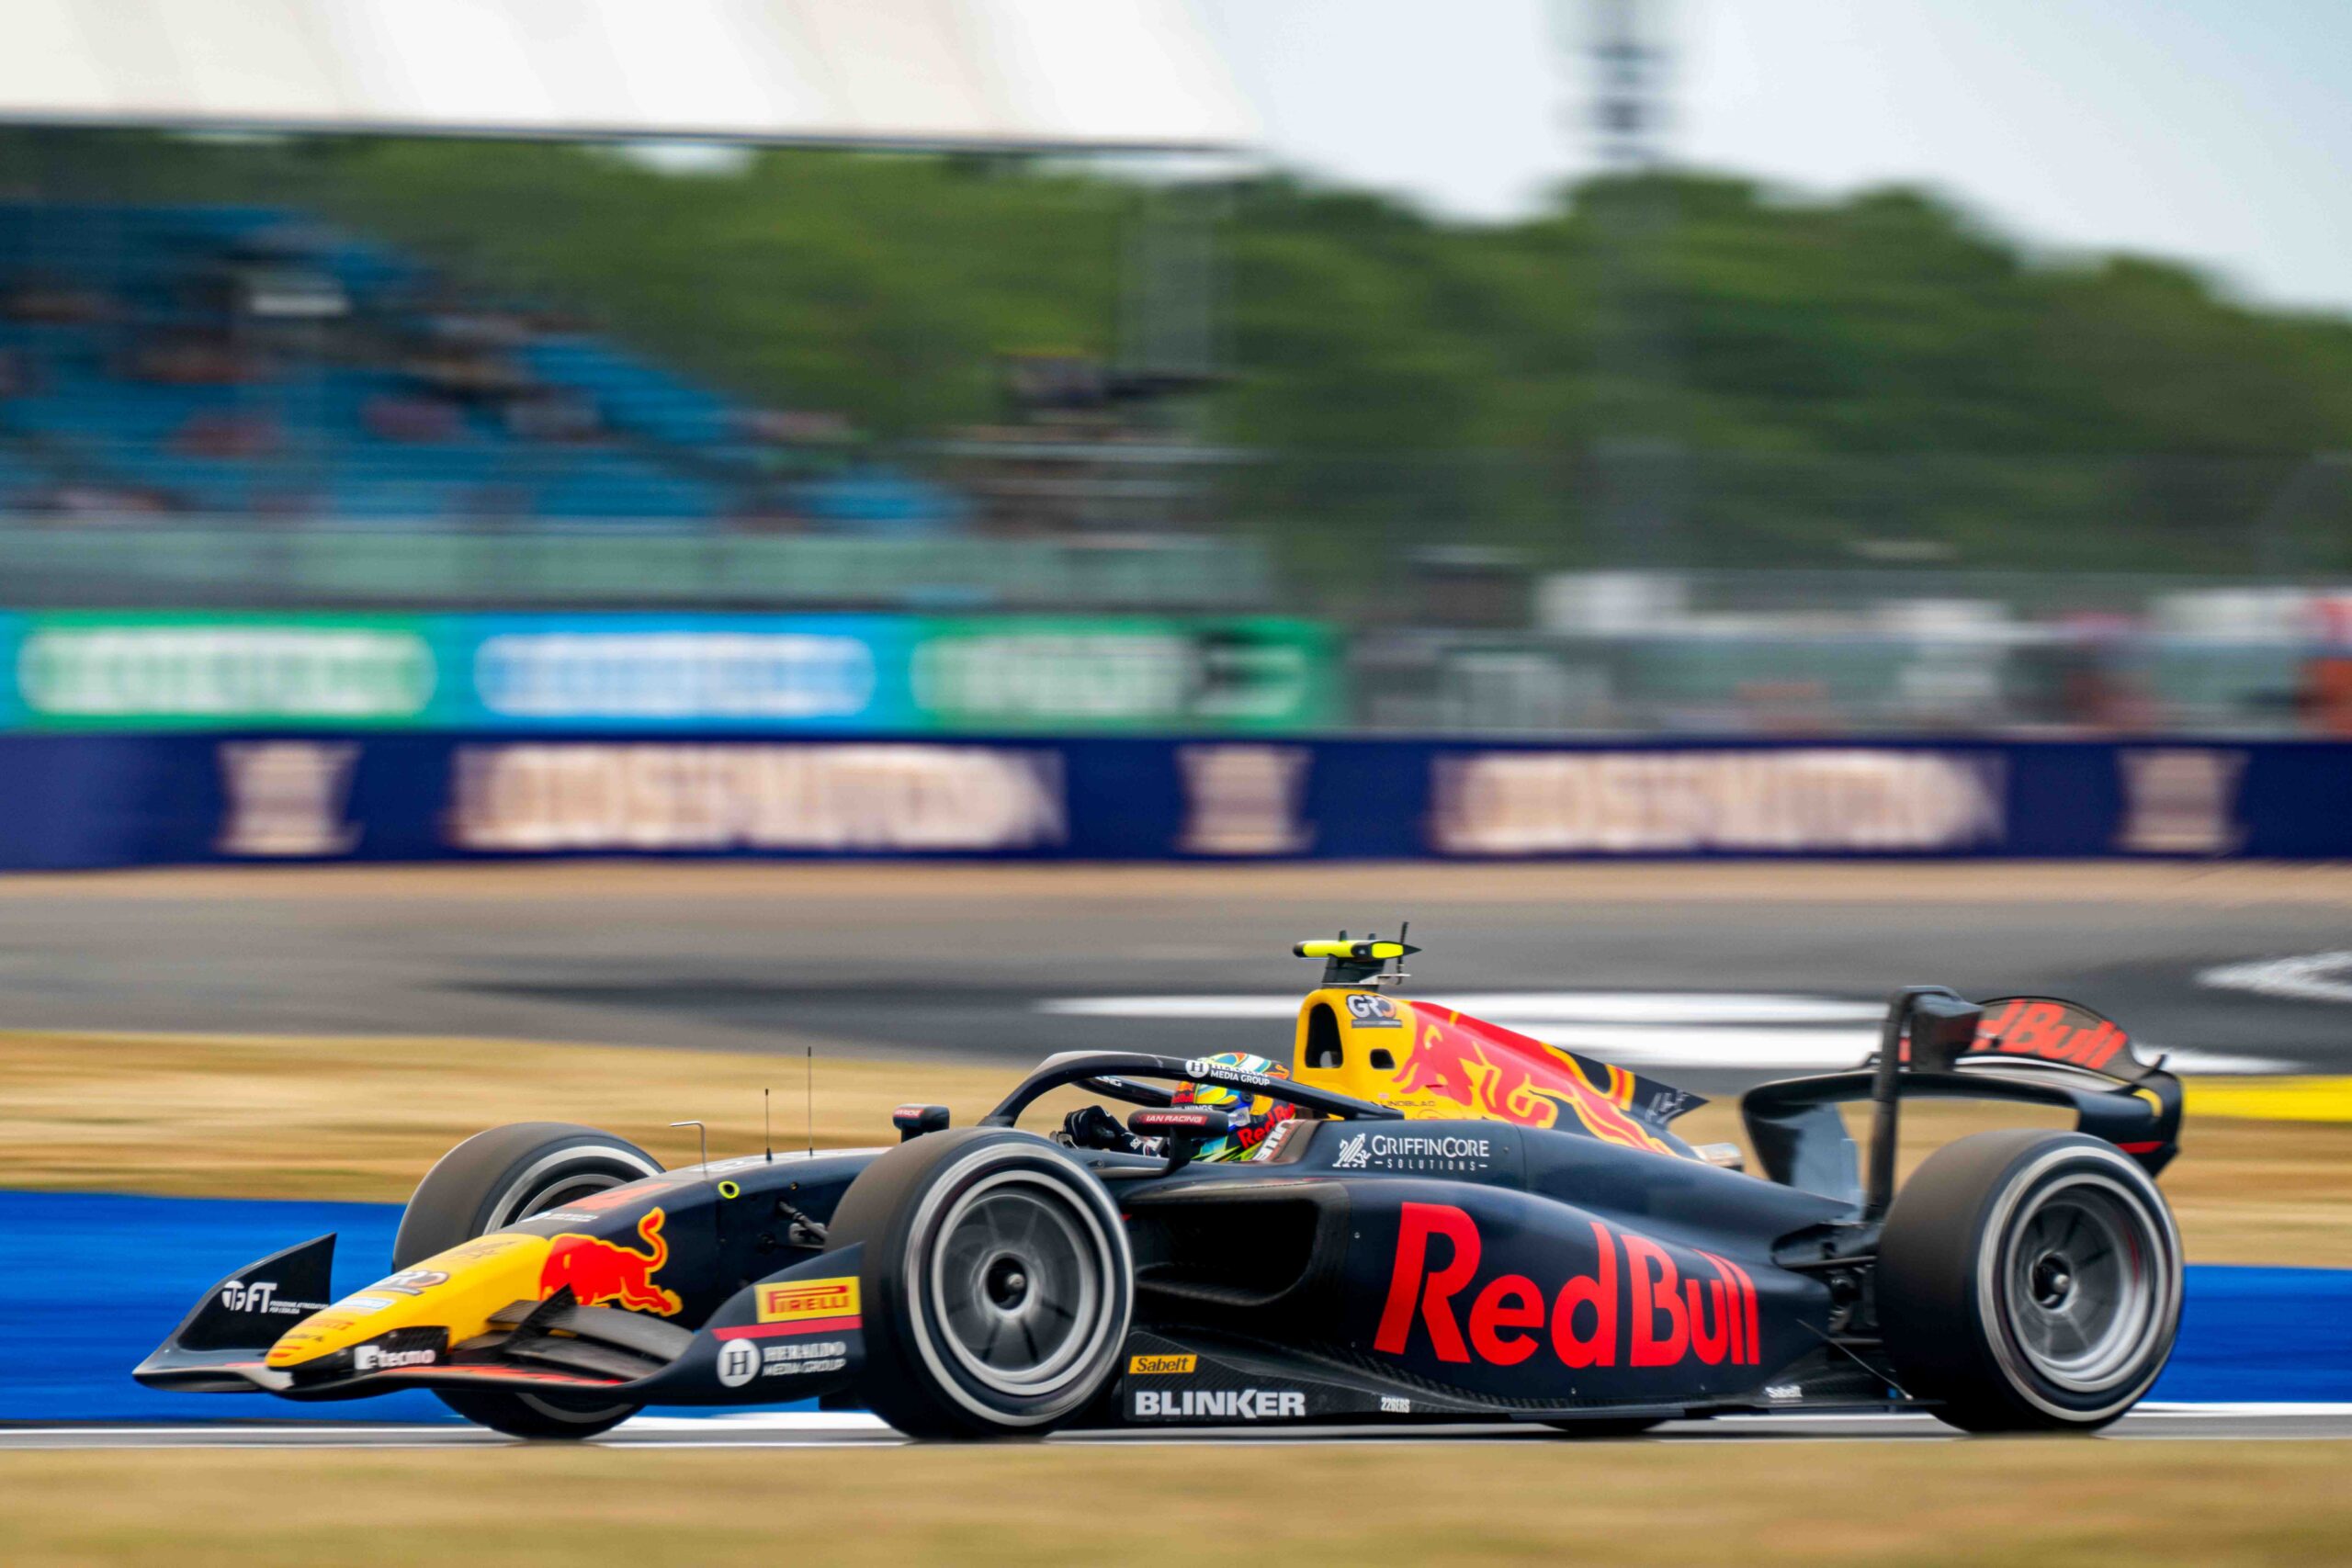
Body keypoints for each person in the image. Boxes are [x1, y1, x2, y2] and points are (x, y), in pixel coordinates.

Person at [1057, 1051, 1298, 1163]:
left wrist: (1134, 1153)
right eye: (1181, 1117)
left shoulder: (1287, 1186)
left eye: (1199, 1123)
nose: (1184, 1133)